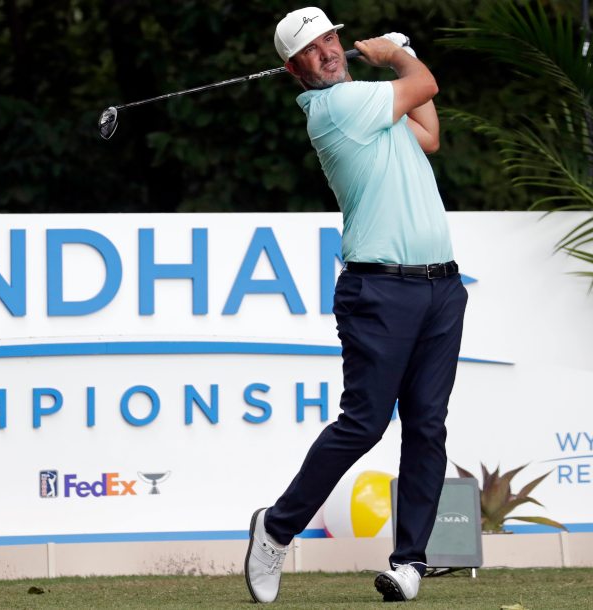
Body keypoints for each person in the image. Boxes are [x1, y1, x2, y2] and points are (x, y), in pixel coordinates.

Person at [244, 7, 468, 604]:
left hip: (440, 287)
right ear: (295, 71)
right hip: (381, 290)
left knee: (426, 426)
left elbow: (429, 131)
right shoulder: (335, 109)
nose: (328, 53)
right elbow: (425, 85)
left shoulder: (372, 105)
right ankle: (276, 528)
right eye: (311, 52)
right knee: (365, 422)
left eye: (330, 41)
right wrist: (397, 53)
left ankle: (410, 562)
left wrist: (401, 60)